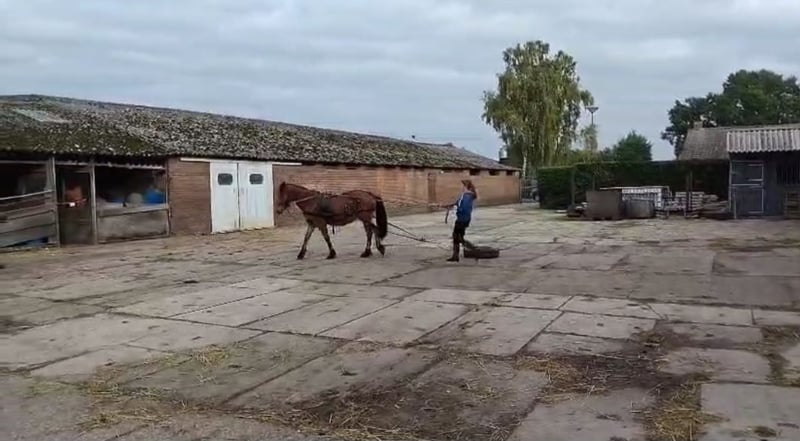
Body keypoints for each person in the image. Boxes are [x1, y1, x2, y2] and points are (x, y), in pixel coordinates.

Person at [446, 179, 477, 262]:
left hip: (462, 219)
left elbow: (464, 209)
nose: (461, 187)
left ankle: (471, 249)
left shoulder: (467, 196)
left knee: (457, 237)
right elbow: (457, 203)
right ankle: (457, 255)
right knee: (458, 237)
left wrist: (457, 210)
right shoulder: (465, 195)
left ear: (466, 186)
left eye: (462, 185)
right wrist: (447, 206)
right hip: (463, 218)